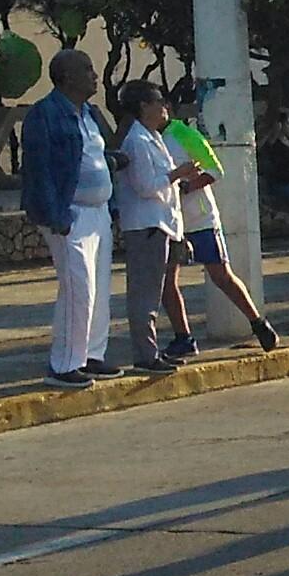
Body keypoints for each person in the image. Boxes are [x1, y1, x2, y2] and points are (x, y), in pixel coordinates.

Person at [23, 51, 125, 388]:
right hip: (70, 214)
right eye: (87, 69)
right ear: (65, 77)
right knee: (78, 290)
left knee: (99, 290)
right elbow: (40, 170)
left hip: (98, 212)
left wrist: (112, 162)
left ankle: (91, 355)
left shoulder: (90, 114)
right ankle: (64, 364)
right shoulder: (46, 114)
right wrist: (55, 215)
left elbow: (89, 156)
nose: (94, 75)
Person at [161, 82, 279, 354]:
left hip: (200, 219)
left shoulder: (183, 133)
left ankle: (258, 322)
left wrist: (188, 186)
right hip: (170, 220)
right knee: (167, 280)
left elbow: (216, 170)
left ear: (168, 108)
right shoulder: (147, 138)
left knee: (221, 275)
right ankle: (184, 337)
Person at [115, 80, 198, 375]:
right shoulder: (137, 141)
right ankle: (145, 355)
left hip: (161, 224)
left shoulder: (153, 136)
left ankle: (151, 351)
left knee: (154, 291)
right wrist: (178, 173)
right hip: (146, 226)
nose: (164, 107)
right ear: (143, 107)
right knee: (145, 295)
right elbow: (145, 186)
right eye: (158, 101)